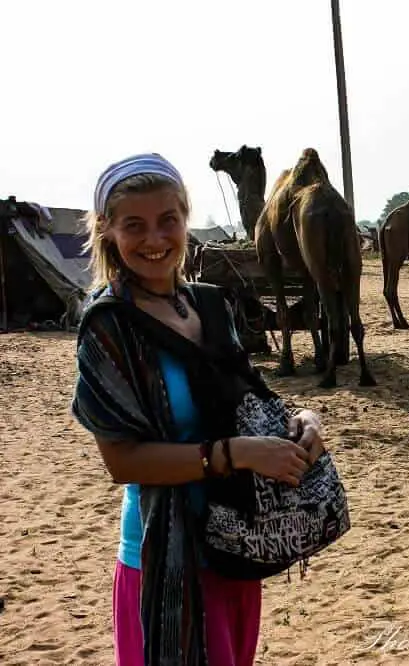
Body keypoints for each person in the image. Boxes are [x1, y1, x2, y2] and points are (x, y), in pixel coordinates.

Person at [71, 153, 328, 666]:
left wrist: (301, 420)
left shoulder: (211, 305)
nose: (155, 239)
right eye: (134, 225)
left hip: (235, 544)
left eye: (168, 220)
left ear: (185, 218)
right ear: (107, 230)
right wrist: (235, 454)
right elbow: (123, 462)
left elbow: (251, 398)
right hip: (164, 557)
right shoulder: (109, 328)